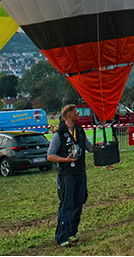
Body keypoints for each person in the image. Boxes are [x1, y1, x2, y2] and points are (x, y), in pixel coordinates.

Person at [47, 104, 94, 248]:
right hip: (67, 174)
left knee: (78, 204)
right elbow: (50, 156)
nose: (78, 114)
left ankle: (72, 232)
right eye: (76, 112)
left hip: (80, 172)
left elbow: (89, 147)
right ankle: (62, 236)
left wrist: (98, 146)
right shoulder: (59, 133)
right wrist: (64, 160)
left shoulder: (80, 130)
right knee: (67, 204)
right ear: (69, 115)